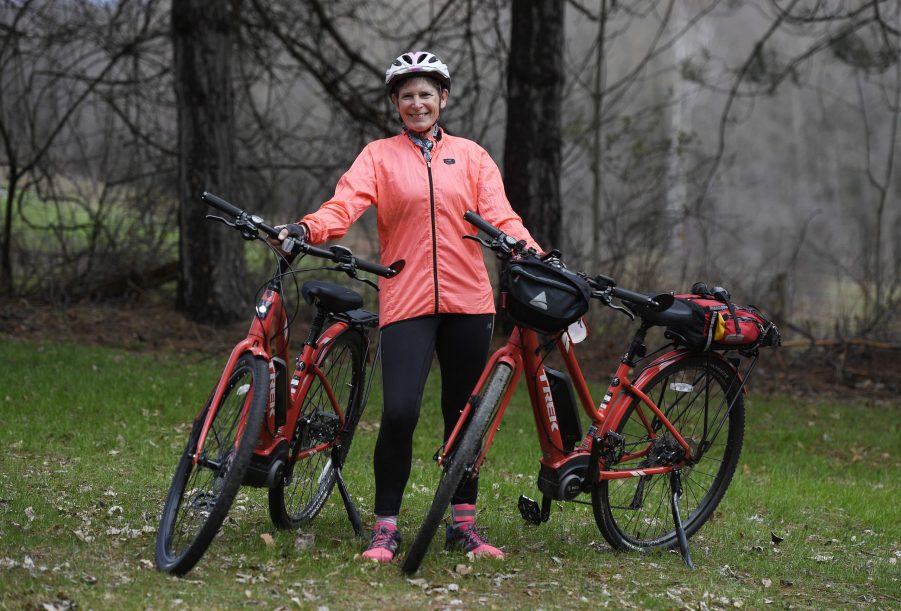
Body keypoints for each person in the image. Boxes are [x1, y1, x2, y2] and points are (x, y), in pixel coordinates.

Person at [277, 51, 541, 563]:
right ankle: (385, 528)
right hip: (407, 299)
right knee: (399, 412)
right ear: (395, 103)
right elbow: (344, 206)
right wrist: (308, 228)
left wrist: (534, 253)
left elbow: (502, 218)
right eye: (406, 96)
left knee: (463, 418)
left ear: (443, 98)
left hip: (469, 303)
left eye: (425, 94)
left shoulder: (472, 156)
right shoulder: (378, 157)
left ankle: (463, 526)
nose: (417, 103)